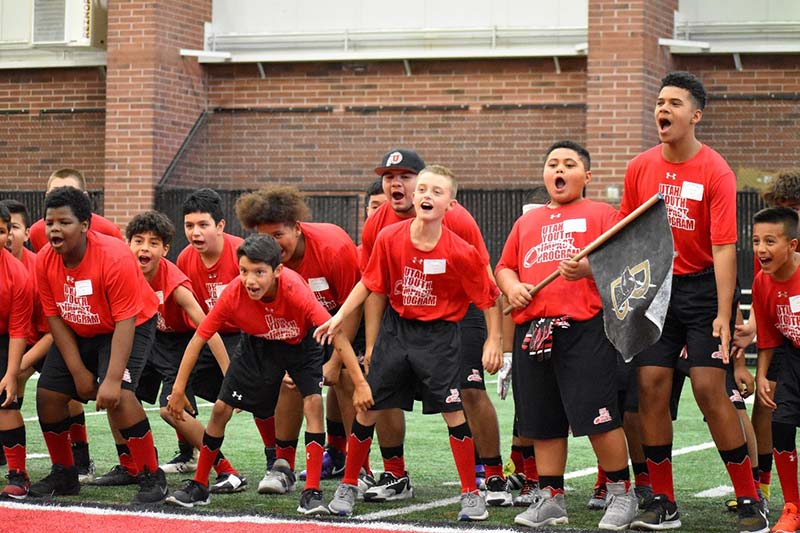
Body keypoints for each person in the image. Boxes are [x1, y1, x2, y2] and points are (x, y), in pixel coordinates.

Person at [620, 71, 767, 532]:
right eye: (660, 102)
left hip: (703, 289)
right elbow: (626, 232)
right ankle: (663, 501)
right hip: (655, 290)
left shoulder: (715, 171)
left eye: (674, 103)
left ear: (695, 115)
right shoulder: (640, 167)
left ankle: (750, 498)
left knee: (708, 389)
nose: (663, 109)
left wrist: (725, 314)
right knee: (651, 389)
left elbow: (724, 248)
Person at [319, 165, 503, 522]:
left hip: (440, 336)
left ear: (451, 204)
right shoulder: (390, 237)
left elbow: (489, 296)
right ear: (414, 196)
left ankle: (471, 493)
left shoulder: (461, 250)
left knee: (453, 411)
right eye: (423, 189)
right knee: (368, 407)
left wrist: (494, 339)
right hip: (398, 330)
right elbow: (371, 283)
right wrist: (340, 316)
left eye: (437, 191)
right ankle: (348, 485)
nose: (427, 196)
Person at [164, 234, 372, 514]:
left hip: (300, 344)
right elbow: (199, 338)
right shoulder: (233, 293)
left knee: (313, 402)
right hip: (257, 344)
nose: (250, 280)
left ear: (277, 271)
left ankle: (311, 493)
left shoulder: (296, 291)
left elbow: (337, 336)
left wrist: (359, 383)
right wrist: (178, 388)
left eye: (259, 272)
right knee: (221, 408)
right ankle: (200, 486)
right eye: (244, 271)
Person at [496, 140, 638, 530]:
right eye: (553, 164)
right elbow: (505, 267)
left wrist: (589, 270)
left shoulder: (602, 214)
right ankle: (551, 498)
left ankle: (621, 493)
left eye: (569, 164)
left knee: (599, 417)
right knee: (541, 420)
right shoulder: (526, 222)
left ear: (586, 176)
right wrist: (511, 288)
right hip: (533, 332)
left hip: (584, 330)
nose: (559, 169)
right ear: (545, 175)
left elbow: (628, 261)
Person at [359, 150, 509, 506]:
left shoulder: (454, 217)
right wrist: (371, 345)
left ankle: (492, 475)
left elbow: (485, 281)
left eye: (405, 176)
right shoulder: (377, 224)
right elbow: (373, 289)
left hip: (460, 309)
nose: (396, 183)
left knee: (469, 389)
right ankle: (396, 473)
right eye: (389, 176)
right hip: (407, 313)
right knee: (385, 389)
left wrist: (495, 338)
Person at [31, 187, 166, 504]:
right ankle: (65, 474)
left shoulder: (114, 257)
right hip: (78, 327)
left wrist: (112, 379)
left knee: (120, 396)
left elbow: (125, 320)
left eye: (64, 222)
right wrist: (77, 371)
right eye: (50, 222)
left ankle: (150, 474)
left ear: (84, 226)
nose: (54, 229)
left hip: (128, 323)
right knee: (49, 394)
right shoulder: (43, 262)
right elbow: (54, 317)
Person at [235, 187, 370, 494]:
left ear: (297, 227)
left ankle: (360, 469)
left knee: (349, 378)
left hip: (344, 317)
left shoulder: (333, 247)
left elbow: (354, 306)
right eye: (264, 237)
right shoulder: (261, 262)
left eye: (279, 234)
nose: (272, 244)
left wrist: (335, 362)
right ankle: (282, 465)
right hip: (298, 326)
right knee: (289, 381)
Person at [123, 210, 243, 488]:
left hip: (179, 343)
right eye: (138, 241)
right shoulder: (122, 271)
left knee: (171, 409)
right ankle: (131, 463)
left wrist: (230, 375)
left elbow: (207, 327)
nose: (144, 248)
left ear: (165, 249)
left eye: (153, 243)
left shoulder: (174, 283)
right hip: (145, 338)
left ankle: (228, 471)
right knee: (119, 395)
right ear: (128, 244)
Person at [173, 188, 249, 493]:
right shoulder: (183, 259)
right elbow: (201, 323)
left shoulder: (241, 252)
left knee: (254, 395)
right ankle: (190, 451)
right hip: (208, 335)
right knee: (175, 394)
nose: (195, 232)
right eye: (189, 226)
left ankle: (276, 463)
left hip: (246, 333)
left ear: (220, 226)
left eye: (203, 225)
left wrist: (233, 372)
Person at [734, 170, 800, 510]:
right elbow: (772, 295)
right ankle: (763, 485)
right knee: (768, 401)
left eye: (792, 206)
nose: (787, 211)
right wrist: (753, 328)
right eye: (780, 206)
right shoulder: (770, 254)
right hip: (787, 340)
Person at [750, 207, 800, 533]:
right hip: (791, 357)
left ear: (792, 245)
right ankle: (792, 507)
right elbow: (767, 333)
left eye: (770, 241)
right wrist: (762, 376)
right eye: (755, 241)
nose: (761, 249)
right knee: (780, 424)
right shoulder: (761, 282)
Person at [0, 203, 34, 499]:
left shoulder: (18, 275)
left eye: (0, 231)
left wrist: (12, 374)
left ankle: (18, 475)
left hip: (5, 338)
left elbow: (18, 330)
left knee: (5, 402)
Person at [28, 168, 123, 252]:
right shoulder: (37, 232)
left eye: (71, 193)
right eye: (56, 192)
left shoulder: (109, 230)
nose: (63, 199)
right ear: (47, 197)